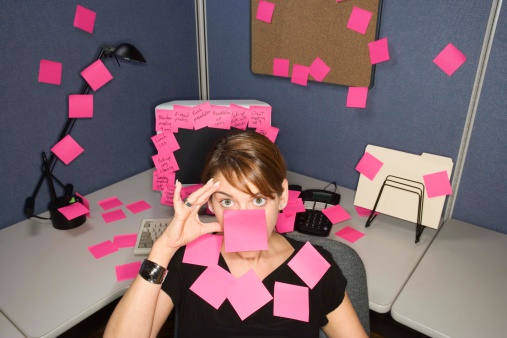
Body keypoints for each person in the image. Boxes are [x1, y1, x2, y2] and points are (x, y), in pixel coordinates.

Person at [105, 130, 367, 338]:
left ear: (283, 196)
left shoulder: (314, 267)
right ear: (211, 204)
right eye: (227, 202)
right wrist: (164, 248)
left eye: (259, 200)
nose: (244, 218)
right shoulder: (189, 260)